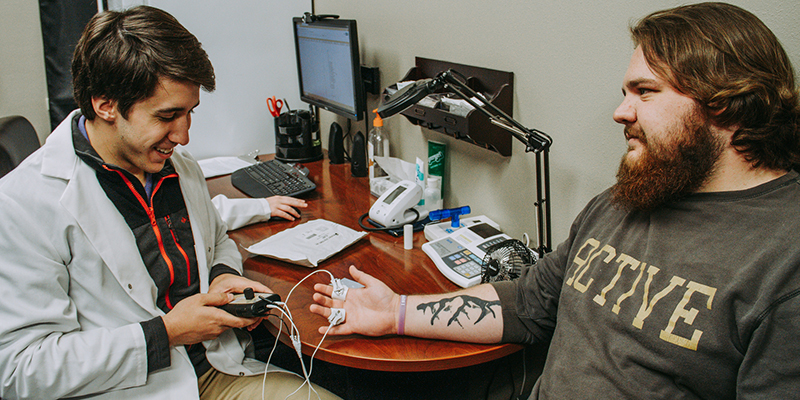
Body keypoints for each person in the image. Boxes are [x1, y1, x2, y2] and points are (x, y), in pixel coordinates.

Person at [310, 3, 800, 398]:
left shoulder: (783, 261)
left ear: (726, 102)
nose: (620, 112)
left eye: (645, 93)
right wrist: (394, 311)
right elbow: (530, 302)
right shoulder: (623, 202)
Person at [0, 6, 337, 400]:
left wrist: (222, 274)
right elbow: (20, 369)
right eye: (167, 115)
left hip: (214, 370)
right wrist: (168, 333)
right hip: (124, 389)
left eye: (190, 112)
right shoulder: (22, 204)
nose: (184, 135)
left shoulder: (175, 166)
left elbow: (215, 237)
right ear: (105, 104)